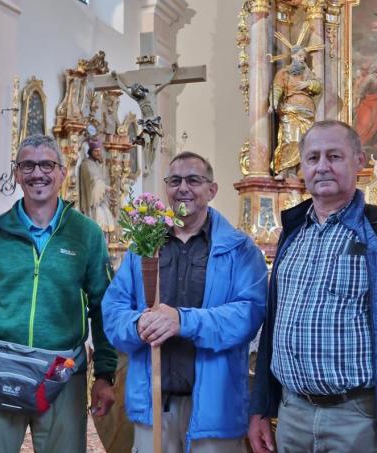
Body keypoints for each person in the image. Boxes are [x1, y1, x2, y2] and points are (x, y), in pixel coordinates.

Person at [248, 121, 377, 453]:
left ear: (359, 161)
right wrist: (262, 408)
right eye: (313, 158)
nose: (322, 166)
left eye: (334, 156)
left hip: (356, 418)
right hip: (292, 415)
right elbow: (273, 325)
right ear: (302, 166)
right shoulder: (293, 232)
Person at [0, 134, 118, 452]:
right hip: (0, 368)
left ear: (62, 172)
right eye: (27, 165)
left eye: (46, 165)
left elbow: (103, 308)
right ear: (16, 173)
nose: (37, 173)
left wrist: (105, 375)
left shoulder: (86, 235)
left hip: (63, 373)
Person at [102, 151, 268, 453]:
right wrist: (138, 324)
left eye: (193, 180)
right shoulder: (143, 246)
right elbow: (113, 310)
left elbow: (248, 315)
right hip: (154, 404)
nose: (183, 188)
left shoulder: (240, 249)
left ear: (212, 190)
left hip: (214, 408)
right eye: (175, 181)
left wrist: (183, 321)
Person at [269, 46, 323, 180]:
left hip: (307, 112)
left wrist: (308, 84)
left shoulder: (308, 74)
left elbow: (318, 87)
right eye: (299, 56)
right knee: (289, 139)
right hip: (290, 110)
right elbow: (277, 89)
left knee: (306, 142)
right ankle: (286, 170)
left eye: (303, 57)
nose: (302, 59)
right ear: (292, 56)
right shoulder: (284, 73)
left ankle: (301, 172)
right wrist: (273, 102)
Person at [78, 137, 117, 237]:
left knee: (107, 225)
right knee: (98, 225)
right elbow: (94, 182)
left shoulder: (96, 164)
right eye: (96, 151)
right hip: (93, 204)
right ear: (90, 151)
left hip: (101, 200)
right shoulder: (86, 165)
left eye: (99, 151)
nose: (98, 153)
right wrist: (107, 188)